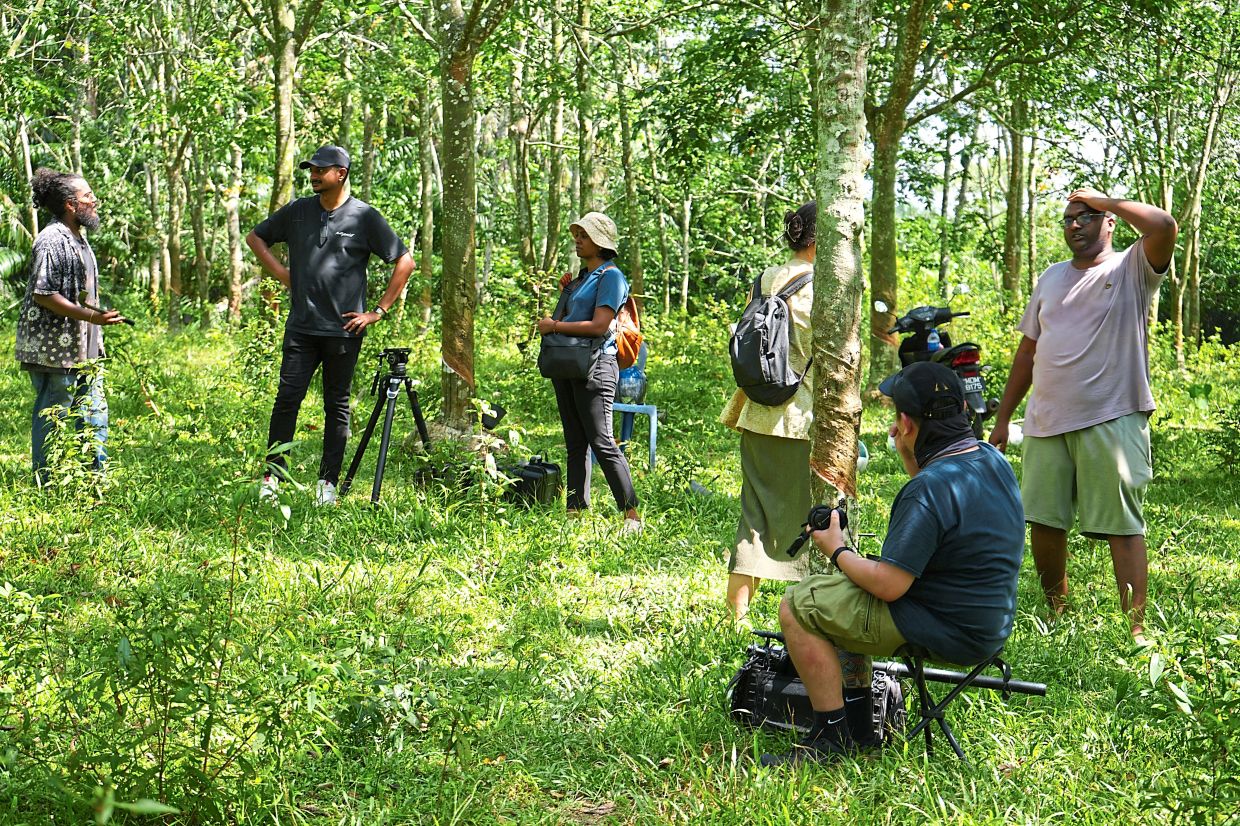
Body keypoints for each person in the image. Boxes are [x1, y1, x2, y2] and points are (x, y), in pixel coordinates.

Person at [761, 362, 1024, 766]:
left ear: (905, 422)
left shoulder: (928, 490)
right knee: (842, 596)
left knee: (800, 604)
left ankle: (831, 740)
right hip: (987, 623)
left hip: (945, 627)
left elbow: (888, 585)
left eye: (896, 422)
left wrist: (836, 549)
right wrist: (911, 453)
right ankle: (862, 730)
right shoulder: (990, 459)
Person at [988, 188, 1177, 639]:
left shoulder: (1131, 267)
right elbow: (1028, 351)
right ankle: (1058, 611)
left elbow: (1164, 226)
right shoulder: (1051, 277)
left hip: (1112, 415)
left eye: (1086, 217)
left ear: (1109, 223)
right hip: (1046, 420)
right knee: (1045, 520)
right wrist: (1003, 417)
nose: (1075, 224)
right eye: (1069, 219)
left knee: (1122, 524)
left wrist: (1106, 201)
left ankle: (1135, 630)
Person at [246, 145, 414, 505]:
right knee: (287, 401)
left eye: (321, 170)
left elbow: (405, 262)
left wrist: (378, 311)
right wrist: (282, 274)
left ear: (341, 173)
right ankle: (273, 479)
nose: (313, 175)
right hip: (301, 327)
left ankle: (328, 484)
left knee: (337, 406)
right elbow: (255, 237)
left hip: (344, 332)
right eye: (311, 170)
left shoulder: (364, 217)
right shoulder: (298, 211)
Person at [719, 201, 816, 618]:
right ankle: (812, 616)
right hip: (800, 417)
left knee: (754, 515)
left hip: (756, 411)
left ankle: (734, 617)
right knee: (817, 519)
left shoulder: (765, 278)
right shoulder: (823, 284)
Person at [16, 168, 124, 486]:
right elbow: (43, 294)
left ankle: (94, 481)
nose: (95, 201)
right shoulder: (51, 241)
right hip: (54, 350)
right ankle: (47, 484)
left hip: (83, 348)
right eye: (88, 196)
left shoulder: (79, 238)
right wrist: (92, 317)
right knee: (55, 415)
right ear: (70, 205)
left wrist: (95, 320)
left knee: (94, 413)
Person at [536, 212, 642, 533]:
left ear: (600, 243)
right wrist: (567, 291)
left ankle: (631, 514)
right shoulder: (582, 278)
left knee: (601, 440)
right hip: (567, 365)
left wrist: (554, 325)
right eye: (577, 235)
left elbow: (599, 326)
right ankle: (575, 514)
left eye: (584, 236)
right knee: (575, 443)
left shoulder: (611, 277)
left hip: (597, 366)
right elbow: (571, 315)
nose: (578, 240)